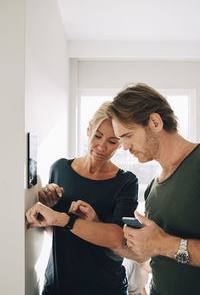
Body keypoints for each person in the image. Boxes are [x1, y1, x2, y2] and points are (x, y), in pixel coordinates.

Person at [26, 101, 139, 295]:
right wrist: (49, 208)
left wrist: (94, 221)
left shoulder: (126, 182)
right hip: (58, 286)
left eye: (112, 141)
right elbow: (56, 232)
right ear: (88, 130)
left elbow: (119, 240)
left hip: (106, 287)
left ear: (120, 143)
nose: (102, 146)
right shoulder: (59, 169)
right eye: (97, 136)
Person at [107, 83, 200, 295]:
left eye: (128, 135)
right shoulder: (152, 188)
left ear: (155, 122)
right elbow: (153, 256)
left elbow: (164, 245)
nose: (124, 147)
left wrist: (163, 244)